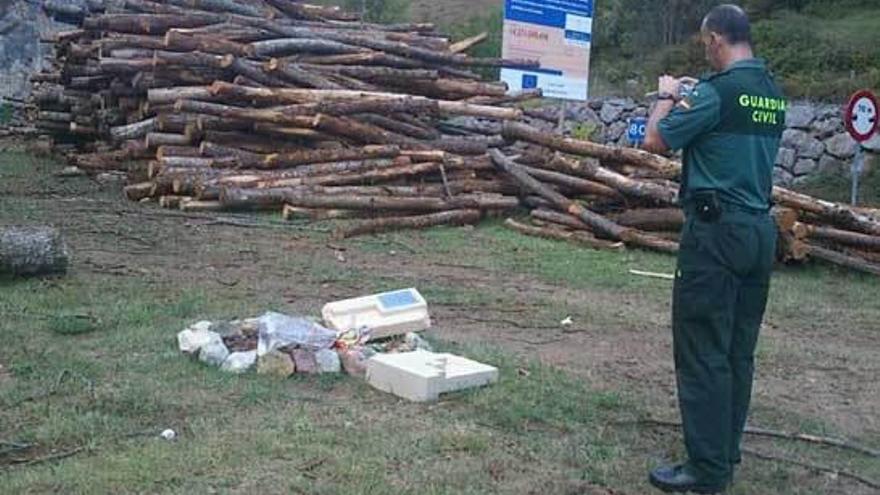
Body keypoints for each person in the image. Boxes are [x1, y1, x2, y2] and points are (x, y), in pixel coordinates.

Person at [642, 4, 785, 493]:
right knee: (737, 351)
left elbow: (656, 140)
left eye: (706, 43)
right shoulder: (771, 92)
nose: (705, 50)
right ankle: (725, 452)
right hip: (758, 232)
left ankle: (706, 470)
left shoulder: (716, 92)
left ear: (715, 41)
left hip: (715, 235)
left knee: (703, 349)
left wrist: (667, 94)